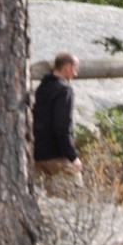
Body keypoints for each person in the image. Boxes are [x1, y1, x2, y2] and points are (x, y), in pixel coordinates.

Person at [32, 51, 83, 196]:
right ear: (66, 67)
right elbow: (62, 125)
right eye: (75, 68)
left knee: (43, 199)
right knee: (73, 196)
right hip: (56, 154)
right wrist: (72, 157)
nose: (76, 73)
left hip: (37, 152)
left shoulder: (42, 87)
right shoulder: (64, 90)